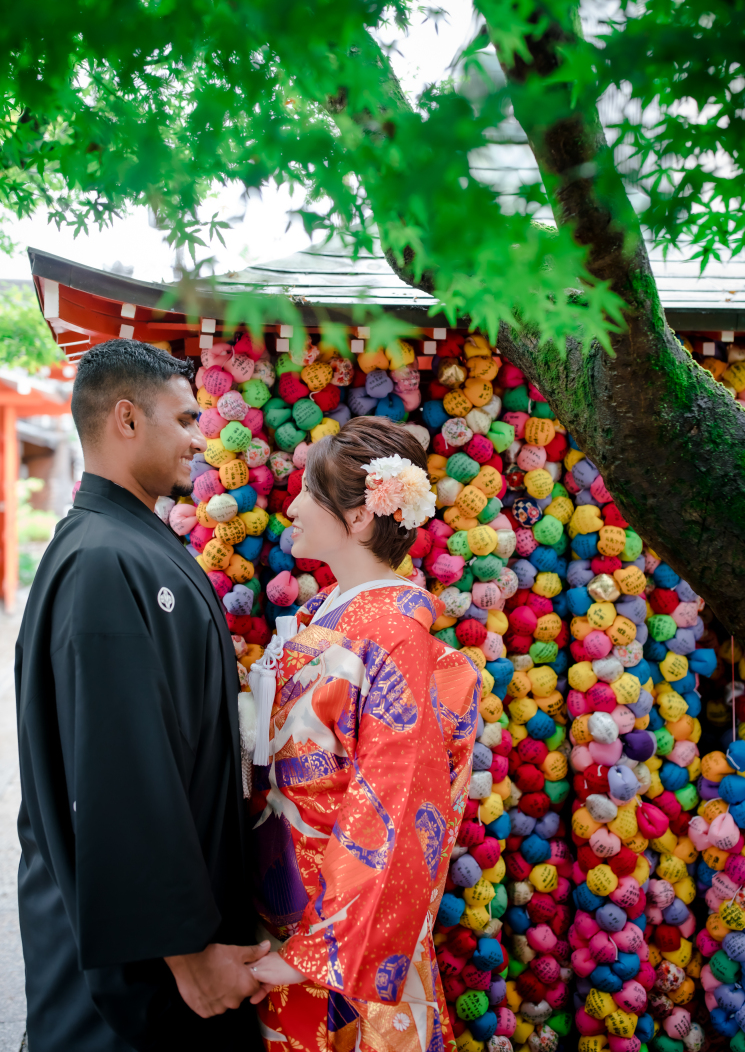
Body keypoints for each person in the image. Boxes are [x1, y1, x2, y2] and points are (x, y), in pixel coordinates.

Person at [16, 339, 266, 1052]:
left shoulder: (125, 542)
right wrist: (189, 956)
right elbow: (119, 771)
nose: (200, 439)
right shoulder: (101, 558)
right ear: (126, 419)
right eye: (185, 420)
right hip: (146, 969)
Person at [246, 416, 481, 1051]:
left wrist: (314, 952)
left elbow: (395, 803)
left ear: (356, 518)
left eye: (306, 492)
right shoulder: (329, 616)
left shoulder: (392, 635)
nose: (291, 507)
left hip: (336, 933)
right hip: (286, 903)